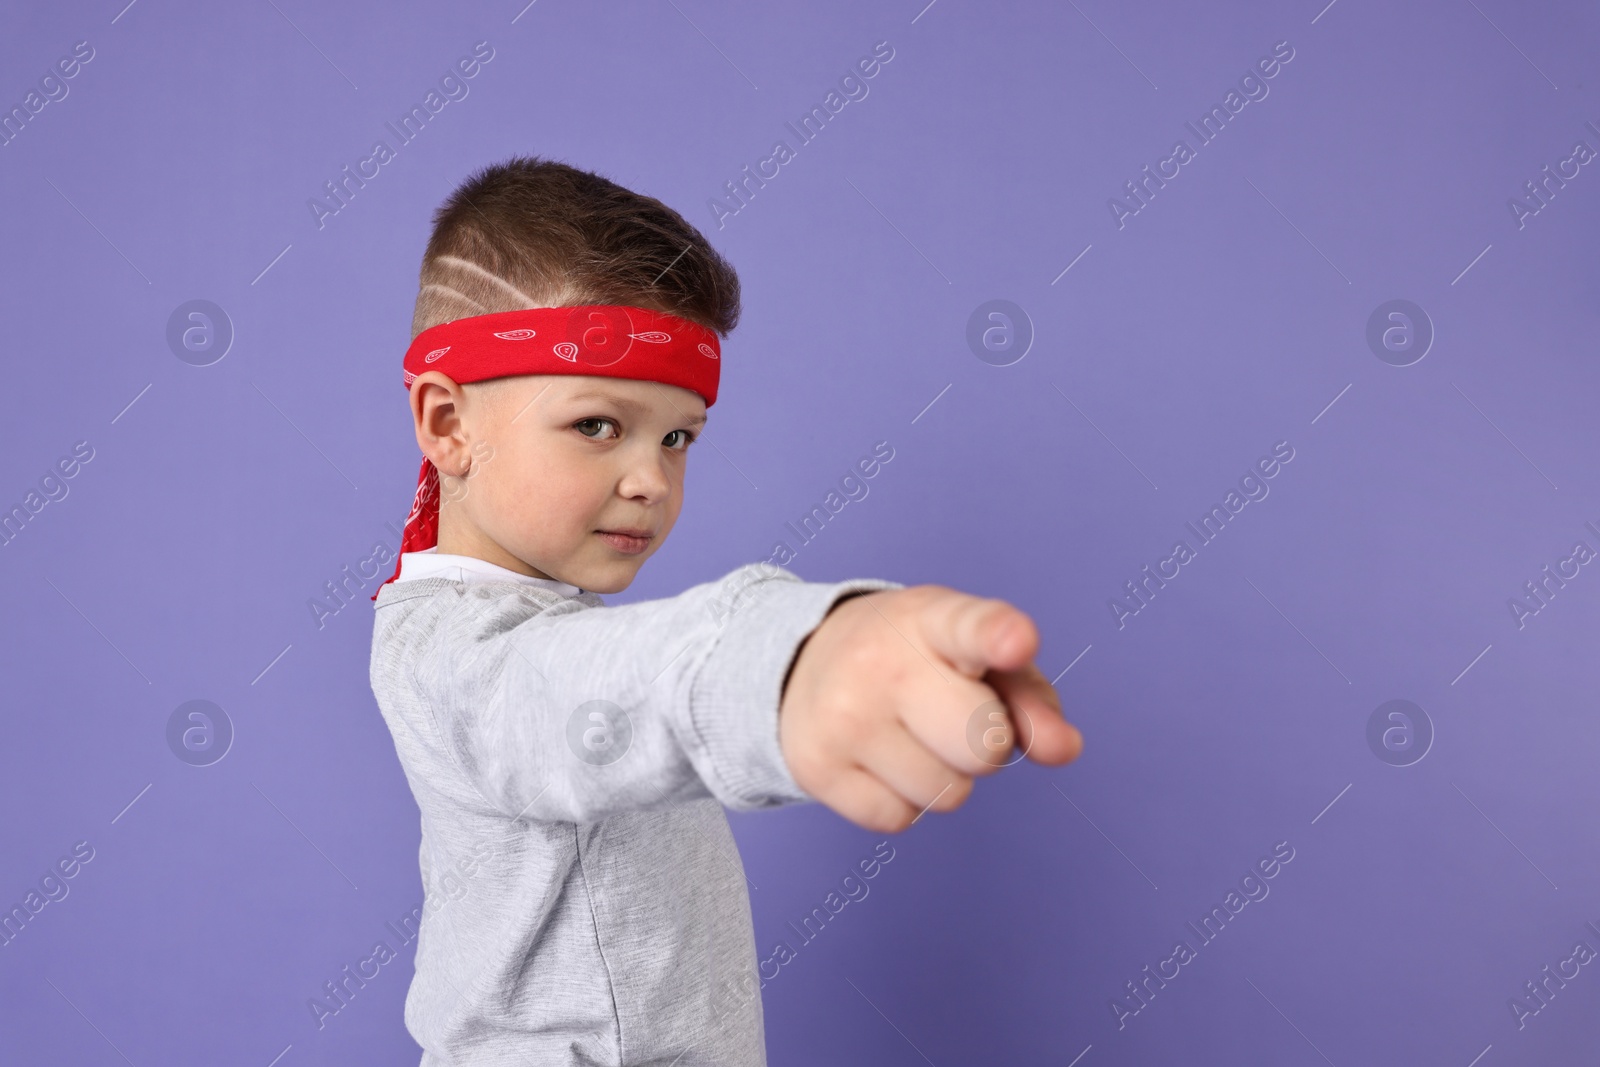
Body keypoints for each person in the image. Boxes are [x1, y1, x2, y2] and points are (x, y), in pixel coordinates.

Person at [367, 155, 1084, 1065]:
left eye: (678, 437)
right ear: (447, 423)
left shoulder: (555, 620)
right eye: (597, 425)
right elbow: (608, 692)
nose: (649, 479)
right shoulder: (452, 655)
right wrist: (792, 662)